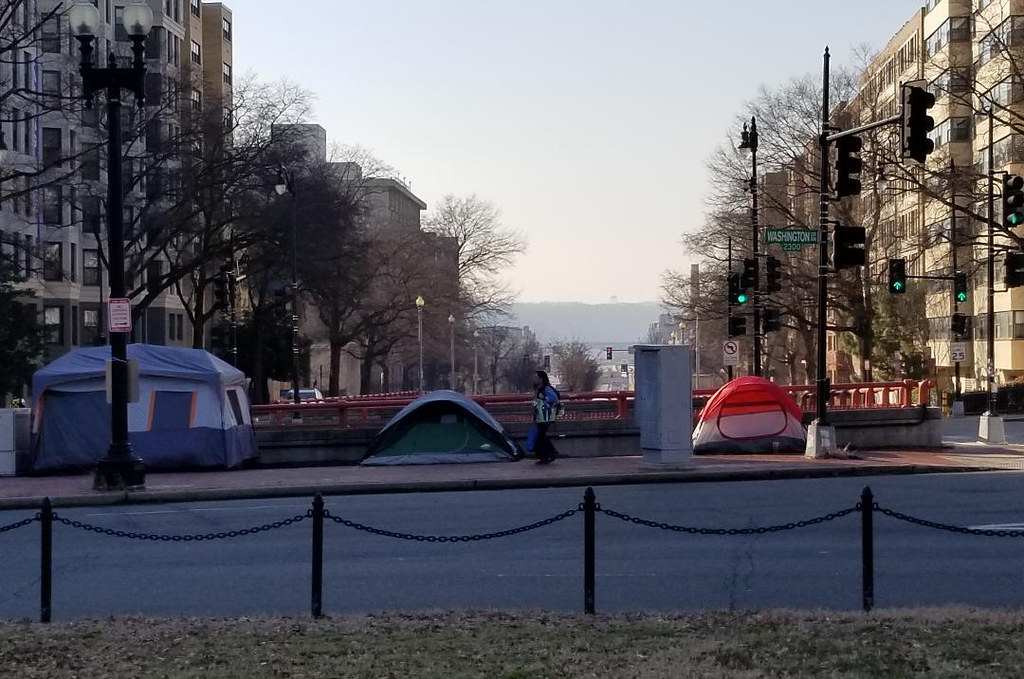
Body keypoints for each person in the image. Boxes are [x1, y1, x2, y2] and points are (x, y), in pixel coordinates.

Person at [529, 370, 561, 464]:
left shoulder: (546, 389)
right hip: (540, 416)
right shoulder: (538, 389)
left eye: (536, 377)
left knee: (540, 435)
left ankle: (546, 455)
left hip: (546, 416)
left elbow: (554, 398)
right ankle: (549, 454)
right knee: (541, 435)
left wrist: (544, 398)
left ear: (541, 379)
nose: (534, 379)